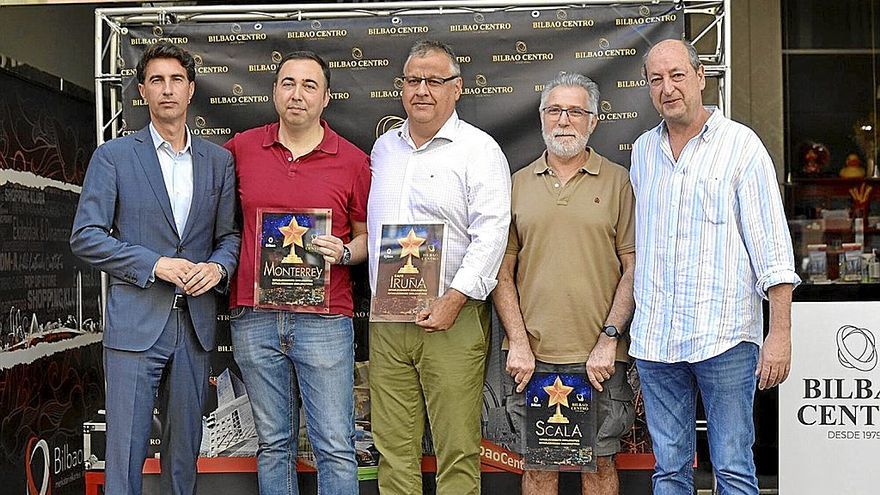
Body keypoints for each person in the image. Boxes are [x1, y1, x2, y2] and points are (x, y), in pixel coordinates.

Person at [629, 39, 800, 495]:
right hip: (657, 341)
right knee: (668, 471)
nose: (668, 88)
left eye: (677, 75)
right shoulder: (643, 153)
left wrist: (779, 334)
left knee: (734, 469)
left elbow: (773, 251)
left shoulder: (741, 147)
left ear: (701, 76)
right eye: (656, 80)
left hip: (723, 337)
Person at [70, 42, 240, 495]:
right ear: (142, 91)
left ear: (191, 91)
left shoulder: (219, 161)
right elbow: (86, 237)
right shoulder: (114, 157)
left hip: (195, 324)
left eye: (176, 80)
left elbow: (229, 237)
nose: (167, 89)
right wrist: (155, 264)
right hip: (136, 323)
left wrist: (219, 270)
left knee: (184, 452)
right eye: (157, 81)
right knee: (124, 454)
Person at [223, 51, 370, 495]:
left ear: (326, 97)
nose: (297, 94)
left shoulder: (353, 161)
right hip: (256, 315)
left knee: (335, 445)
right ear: (274, 92)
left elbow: (366, 239)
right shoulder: (241, 149)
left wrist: (344, 252)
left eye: (309, 85)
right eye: (288, 83)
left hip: (325, 319)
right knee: (273, 444)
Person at [367, 40, 511, 495]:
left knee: (456, 450)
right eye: (413, 80)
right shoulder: (384, 149)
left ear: (457, 88)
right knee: (392, 449)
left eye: (434, 80)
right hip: (387, 319)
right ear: (402, 88)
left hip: (452, 316)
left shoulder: (479, 150)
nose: (422, 90)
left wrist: (455, 299)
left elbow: (492, 234)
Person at [493, 72, 636, 495]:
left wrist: (610, 338)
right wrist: (517, 342)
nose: (564, 120)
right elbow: (502, 270)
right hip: (531, 357)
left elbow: (633, 265)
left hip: (599, 357)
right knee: (537, 467)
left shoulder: (619, 181)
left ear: (593, 121)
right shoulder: (517, 182)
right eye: (555, 110)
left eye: (576, 111)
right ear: (541, 118)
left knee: (600, 464)